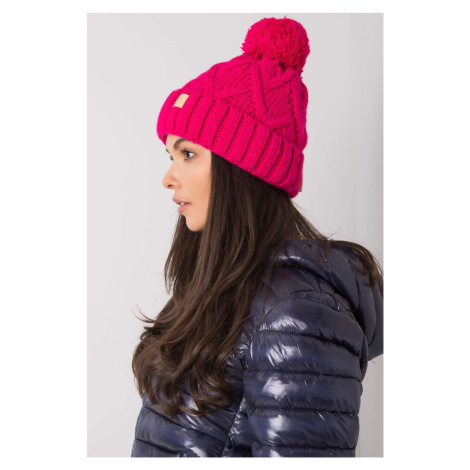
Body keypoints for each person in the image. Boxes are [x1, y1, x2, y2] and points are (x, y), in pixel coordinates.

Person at [131, 16, 383, 457]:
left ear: (243, 168)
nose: (169, 177)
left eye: (188, 153)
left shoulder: (296, 314)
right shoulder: (225, 292)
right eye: (170, 155)